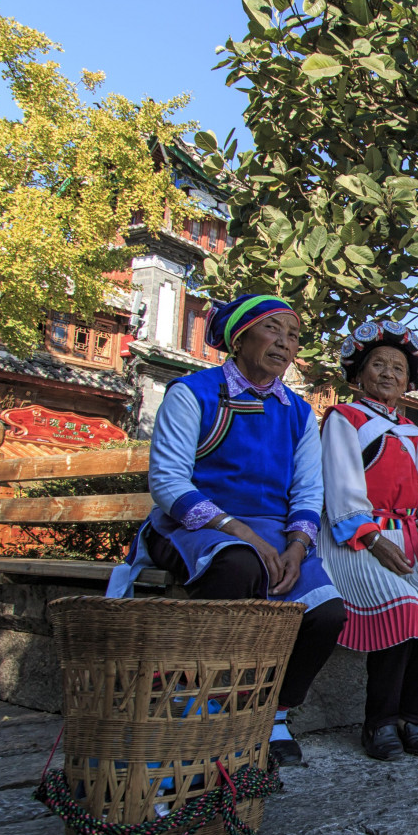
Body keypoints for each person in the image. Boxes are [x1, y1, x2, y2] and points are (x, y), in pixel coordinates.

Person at [106, 294, 345, 766]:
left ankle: (272, 714)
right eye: (273, 328)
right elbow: (168, 483)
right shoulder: (193, 393)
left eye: (293, 335)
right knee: (237, 565)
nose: (285, 342)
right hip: (194, 526)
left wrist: (298, 547)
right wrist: (247, 536)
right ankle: (209, 707)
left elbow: (307, 491)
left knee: (327, 614)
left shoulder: (297, 412)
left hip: (275, 537)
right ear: (239, 337)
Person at [320, 320, 418, 760]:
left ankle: (411, 718)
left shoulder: (414, 433)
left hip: (411, 540)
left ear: (408, 382)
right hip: (357, 537)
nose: (388, 374)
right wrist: (374, 539)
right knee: (401, 607)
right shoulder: (344, 419)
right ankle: (378, 722)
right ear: (358, 374)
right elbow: (340, 487)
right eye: (377, 364)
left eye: (398, 369)